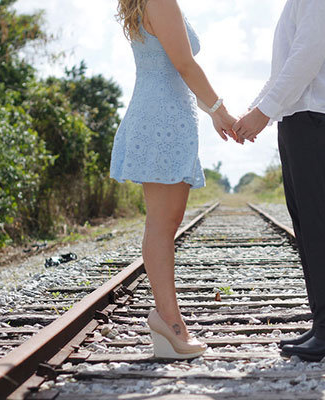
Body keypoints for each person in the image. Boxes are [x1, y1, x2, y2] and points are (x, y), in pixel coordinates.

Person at [234, 0, 325, 362]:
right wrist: (256, 111)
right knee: (308, 227)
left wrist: (263, 113)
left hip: (318, 116)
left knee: (320, 224)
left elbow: (309, 54)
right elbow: (287, 64)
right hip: (300, 116)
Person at [111, 0, 239, 359]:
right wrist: (220, 110)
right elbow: (184, 64)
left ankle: (169, 321)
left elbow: (170, 66)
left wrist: (211, 113)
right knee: (163, 223)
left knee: (164, 222)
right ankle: (170, 323)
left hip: (163, 113)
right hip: (162, 119)